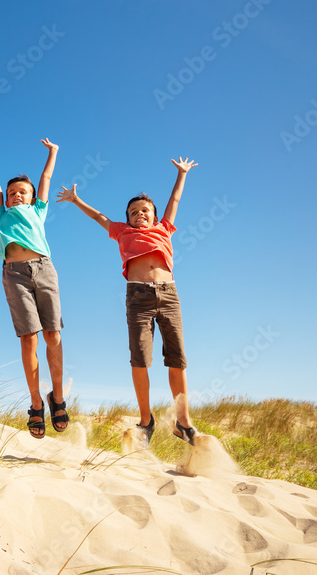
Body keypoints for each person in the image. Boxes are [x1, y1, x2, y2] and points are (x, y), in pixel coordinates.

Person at [56, 157, 199, 446]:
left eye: (145, 211)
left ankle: (183, 421)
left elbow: (175, 198)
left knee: (177, 360)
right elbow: (99, 217)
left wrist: (181, 174)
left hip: (169, 296)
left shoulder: (164, 228)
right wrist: (75, 200)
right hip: (138, 298)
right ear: (128, 218)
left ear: (155, 216)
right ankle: (146, 421)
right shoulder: (122, 232)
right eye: (133, 212)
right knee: (139, 360)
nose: (139, 215)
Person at [0, 139, 68, 439]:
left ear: (32, 199)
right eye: (12, 193)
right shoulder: (1, 214)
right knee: (28, 338)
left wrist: (52, 153)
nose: (17, 195)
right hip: (14, 274)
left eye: (22, 193)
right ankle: (35, 402)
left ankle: (57, 397)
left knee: (53, 334)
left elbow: (45, 179)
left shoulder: (38, 211)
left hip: (44, 269)